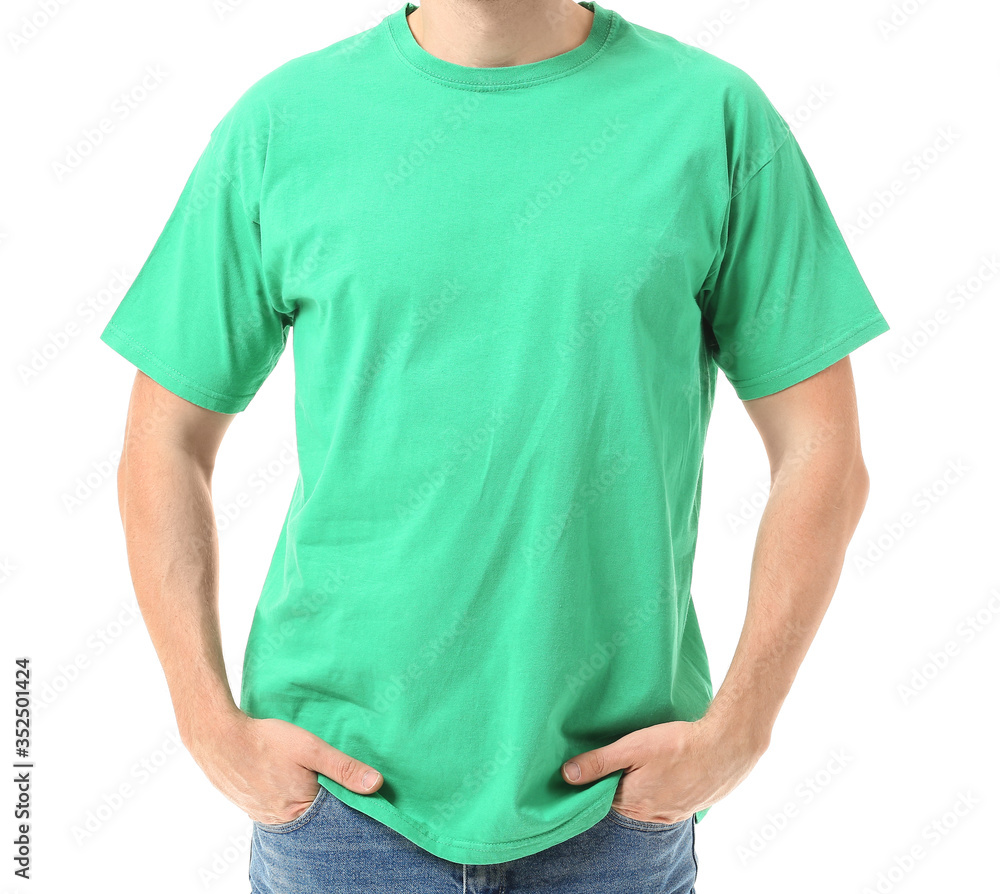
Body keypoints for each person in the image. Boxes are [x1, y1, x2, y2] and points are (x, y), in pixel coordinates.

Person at [100, 0, 889, 890]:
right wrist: (207, 724)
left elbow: (823, 450)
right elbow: (162, 440)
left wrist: (744, 724)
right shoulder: (284, 124)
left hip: (615, 809)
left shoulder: (713, 118)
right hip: (336, 810)